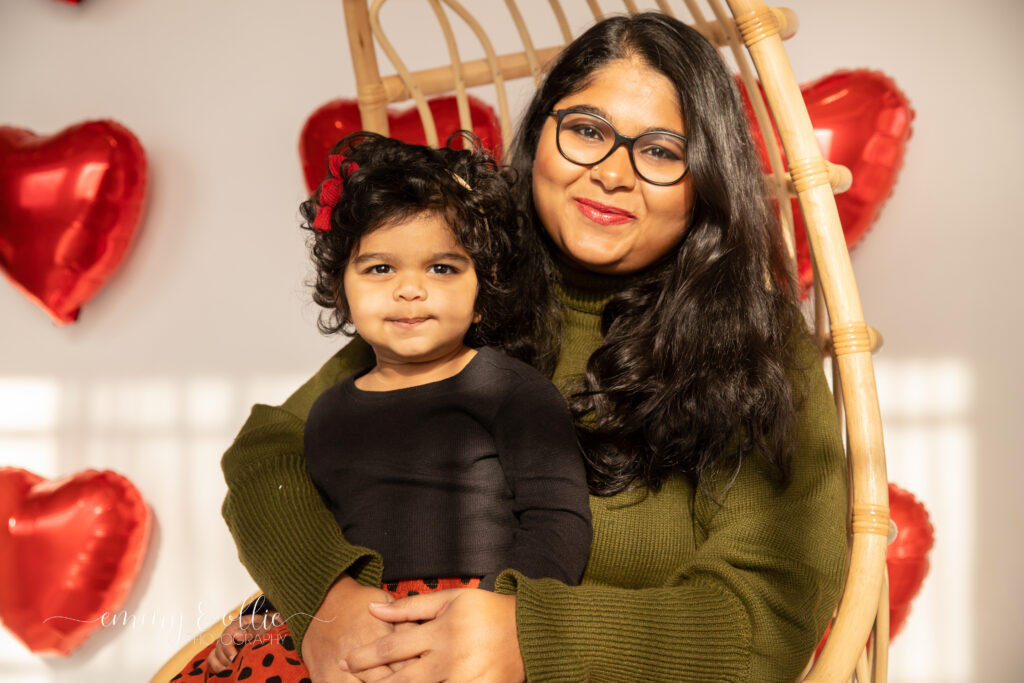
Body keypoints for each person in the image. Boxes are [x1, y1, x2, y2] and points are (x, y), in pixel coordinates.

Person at [214, 12, 848, 683]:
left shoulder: (754, 340)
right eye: (586, 131)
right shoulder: (458, 283)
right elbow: (269, 449)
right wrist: (326, 598)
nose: (612, 174)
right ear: (541, 132)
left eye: (662, 151)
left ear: (707, 182)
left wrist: (532, 637)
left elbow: (768, 612)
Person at [177, 134, 591, 680]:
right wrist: (266, 609)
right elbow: (320, 541)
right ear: (340, 286)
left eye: (442, 268)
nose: (410, 290)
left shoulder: (511, 389)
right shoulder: (327, 412)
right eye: (380, 269)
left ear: (483, 285)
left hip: (463, 615)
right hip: (356, 624)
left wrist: (506, 618)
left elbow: (556, 521)